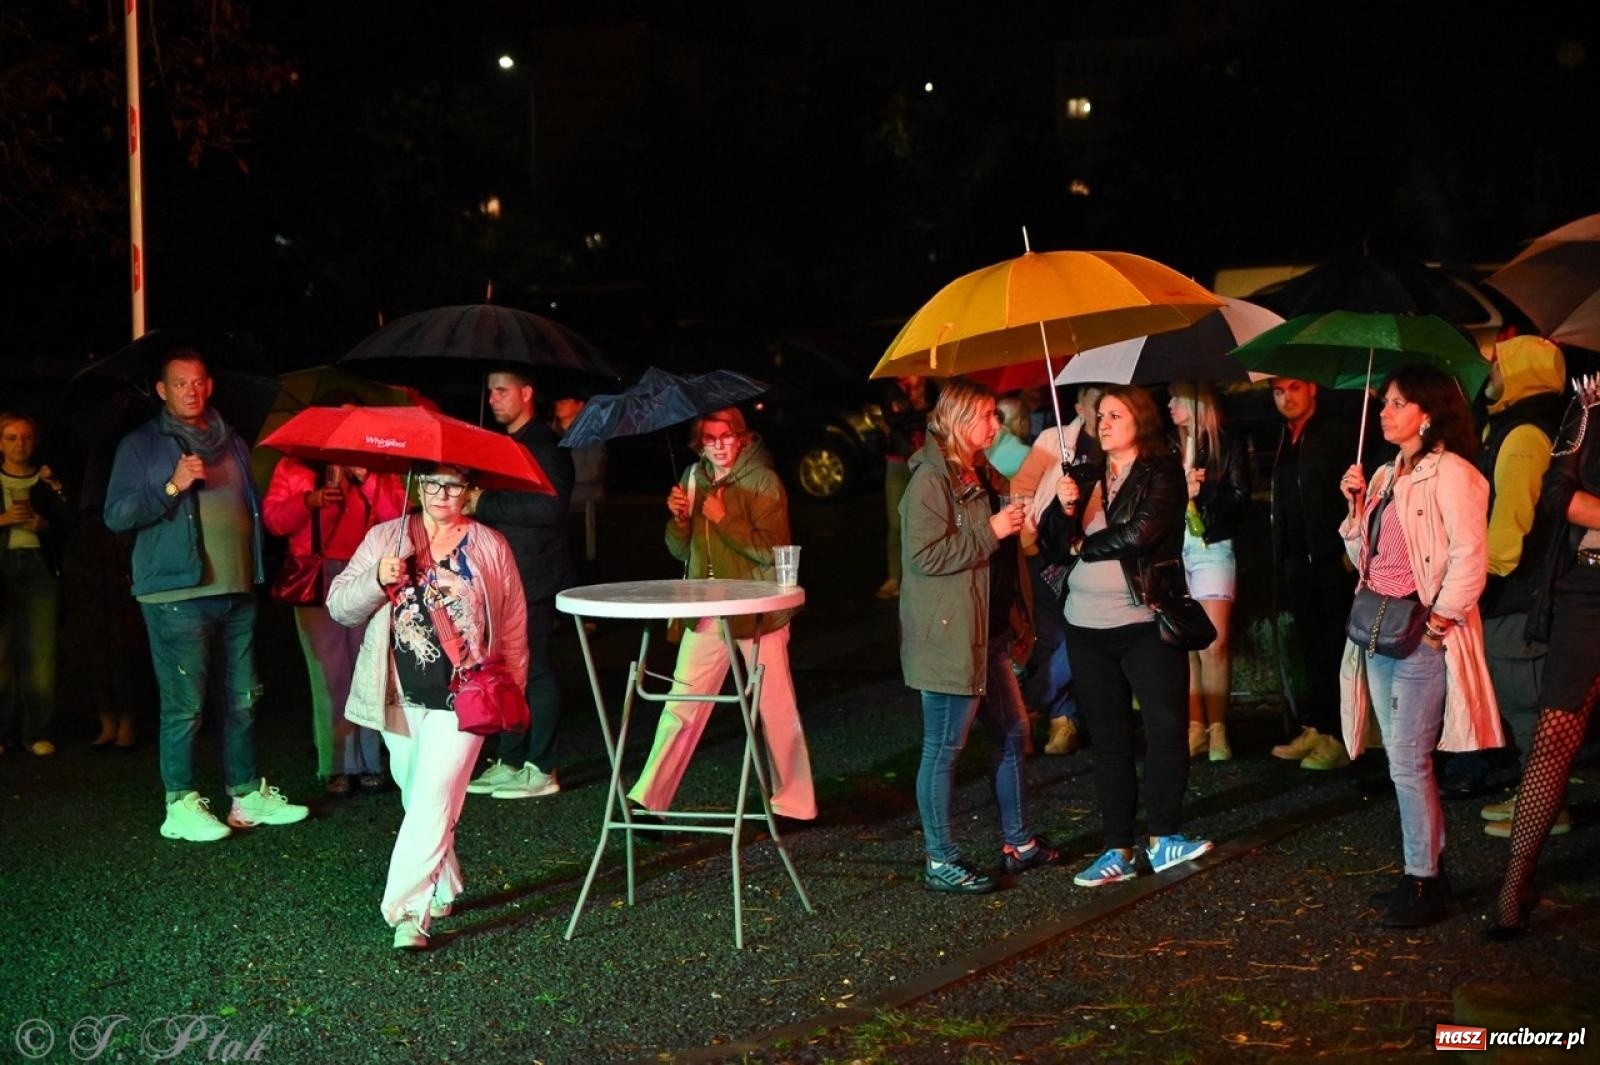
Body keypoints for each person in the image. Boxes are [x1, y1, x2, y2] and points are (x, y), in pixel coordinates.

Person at [103, 349, 308, 841]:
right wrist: (171, 487)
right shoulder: (141, 445)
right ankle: (179, 804)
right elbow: (116, 515)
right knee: (185, 706)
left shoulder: (231, 439)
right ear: (161, 390)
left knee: (242, 699)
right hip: (176, 593)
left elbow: (251, 509)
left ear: (209, 386)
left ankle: (244, 796)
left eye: (198, 382)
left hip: (236, 588)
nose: (190, 391)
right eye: (179, 384)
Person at [327, 464, 528, 950]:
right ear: (417, 486)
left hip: (466, 695)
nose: (441, 493)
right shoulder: (386, 537)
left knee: (435, 793)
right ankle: (444, 881)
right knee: (417, 790)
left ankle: (407, 911)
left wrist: (513, 692)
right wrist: (377, 578)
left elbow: (514, 623)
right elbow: (339, 606)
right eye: (432, 483)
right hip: (398, 691)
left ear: (471, 491)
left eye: (453, 484)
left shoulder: (489, 545)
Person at [1338, 365, 1500, 928]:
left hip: (1420, 634)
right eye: (1384, 401)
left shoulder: (1453, 474)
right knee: (1401, 761)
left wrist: (1437, 625)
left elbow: (1468, 558)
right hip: (1380, 629)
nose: (1385, 410)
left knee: (1409, 761)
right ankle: (1425, 871)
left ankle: (1425, 883)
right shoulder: (1385, 474)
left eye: (1397, 402)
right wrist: (1357, 508)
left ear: (1426, 414)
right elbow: (1366, 562)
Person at [1039, 384, 1213, 888]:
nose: (1105, 422)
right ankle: (1117, 847)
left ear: (1141, 420)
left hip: (1143, 622)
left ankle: (1163, 836)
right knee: (1109, 740)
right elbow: (1051, 545)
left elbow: (1141, 532)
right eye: (1100, 415)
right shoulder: (1085, 474)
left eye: (1116, 414)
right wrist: (1063, 508)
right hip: (1086, 626)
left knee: (1164, 728)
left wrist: (1080, 543)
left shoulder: (1161, 473)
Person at [901, 379, 1063, 894]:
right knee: (944, 747)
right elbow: (924, 557)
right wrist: (990, 531)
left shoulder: (983, 468)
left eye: (997, 415)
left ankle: (1018, 843)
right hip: (949, 635)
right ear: (959, 420)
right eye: (988, 416)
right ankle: (939, 858)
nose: (998, 425)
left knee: (1015, 734)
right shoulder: (930, 479)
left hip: (985, 632)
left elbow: (1029, 483)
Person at [628, 407, 816, 820]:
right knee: (683, 701)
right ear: (699, 443)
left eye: (726, 437)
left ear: (742, 438)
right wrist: (679, 521)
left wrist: (724, 518)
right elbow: (680, 551)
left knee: (775, 707)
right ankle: (649, 801)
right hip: (706, 608)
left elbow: (773, 551)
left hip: (756, 611)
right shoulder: (693, 478)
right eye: (709, 439)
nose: (718, 446)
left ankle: (796, 804)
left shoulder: (763, 480)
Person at [1487, 375, 1600, 939]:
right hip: (1590, 591)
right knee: (1556, 732)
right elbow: (1557, 494)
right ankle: (1516, 881)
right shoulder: (1590, 403)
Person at [1456, 337, 1566, 813]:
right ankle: (1541, 796)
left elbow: (1511, 522)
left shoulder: (1523, 434)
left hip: (1518, 591)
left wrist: (1484, 578)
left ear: (1522, 369)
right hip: (1519, 588)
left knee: (1525, 701)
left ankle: (1542, 805)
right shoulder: (1517, 424)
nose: (1490, 372)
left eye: (1498, 363)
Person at [263, 453, 407, 794]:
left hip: (369, 574)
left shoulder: (378, 467)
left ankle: (371, 761)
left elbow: (397, 520)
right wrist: (308, 501)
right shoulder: (293, 465)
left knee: (368, 669)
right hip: (315, 577)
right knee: (329, 675)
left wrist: (367, 477)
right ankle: (337, 764)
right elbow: (274, 521)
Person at [464, 370, 575, 800]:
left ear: (527, 393)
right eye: (489, 390)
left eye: (501, 390)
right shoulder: (510, 444)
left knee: (538, 669)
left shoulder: (546, 445)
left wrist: (484, 501)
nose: (492, 398)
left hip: (535, 576)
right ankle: (511, 760)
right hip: (506, 573)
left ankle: (542, 766)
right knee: (507, 671)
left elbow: (551, 508)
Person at [1269, 376, 1361, 771]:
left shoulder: (1336, 432)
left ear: (1312, 388)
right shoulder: (1284, 437)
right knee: (1310, 645)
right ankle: (1318, 725)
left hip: (1330, 557)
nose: (1285, 397)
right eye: (1277, 391)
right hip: (1296, 557)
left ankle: (1341, 735)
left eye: (1292, 387)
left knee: (1337, 647)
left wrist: (1347, 549)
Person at [1009, 383, 1104, 756]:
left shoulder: (1115, 444)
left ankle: (1028, 704)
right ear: (1079, 407)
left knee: (1078, 636)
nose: (1101, 413)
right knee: (1052, 638)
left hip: (1090, 558)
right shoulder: (1054, 439)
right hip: (1047, 553)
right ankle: (1063, 720)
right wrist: (1029, 534)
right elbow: (1022, 487)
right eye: (1095, 405)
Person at [1167, 381, 1251, 762]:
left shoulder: (1226, 447)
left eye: (1176, 397)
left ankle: (1218, 728)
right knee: (1183, 642)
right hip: (1174, 549)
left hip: (1211, 546)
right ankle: (1194, 726)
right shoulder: (1169, 446)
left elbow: (1240, 500)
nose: (1169, 404)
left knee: (1213, 644)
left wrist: (1202, 498)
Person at [0, 413, 72, 756]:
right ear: (0, 443)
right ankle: (4, 733)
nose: (19, 444)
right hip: (3, 569)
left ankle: (36, 732)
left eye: (26, 437)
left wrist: (43, 523)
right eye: (11, 437)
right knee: (2, 653)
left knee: (41, 653)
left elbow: (68, 523)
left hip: (40, 571)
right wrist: (3, 519)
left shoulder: (45, 481)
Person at [876, 375, 936, 598]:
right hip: (898, 458)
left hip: (925, 459)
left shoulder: (930, 386)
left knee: (927, 520)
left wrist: (907, 419)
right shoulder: (891, 389)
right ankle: (894, 578)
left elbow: (937, 419)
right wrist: (922, 416)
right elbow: (894, 420)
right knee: (896, 523)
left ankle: (922, 576)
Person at [550, 387, 607, 587]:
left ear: (580, 404)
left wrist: (560, 474)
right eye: (557, 400)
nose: (559, 403)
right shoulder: (551, 434)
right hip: (558, 509)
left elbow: (591, 471)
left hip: (584, 510)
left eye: (565, 400)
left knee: (585, 563)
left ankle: (590, 615)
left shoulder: (592, 433)